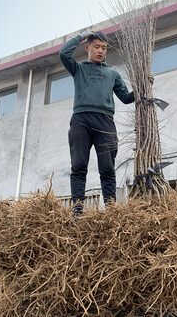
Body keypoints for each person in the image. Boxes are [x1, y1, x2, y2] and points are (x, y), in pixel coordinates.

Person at [59, 30, 148, 215]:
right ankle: (77, 209)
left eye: (104, 48)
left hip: (105, 121)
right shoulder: (79, 69)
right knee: (78, 166)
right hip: (80, 120)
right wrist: (81, 35)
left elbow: (125, 97)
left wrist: (143, 86)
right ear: (88, 47)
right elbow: (63, 53)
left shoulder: (112, 74)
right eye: (97, 47)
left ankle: (111, 209)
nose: (100, 51)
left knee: (107, 168)